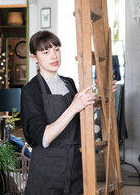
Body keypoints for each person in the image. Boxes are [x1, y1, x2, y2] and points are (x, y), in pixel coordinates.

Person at [21, 30, 97, 195]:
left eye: (56, 49)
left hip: (75, 166)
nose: (53, 56)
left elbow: (78, 120)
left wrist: (101, 97)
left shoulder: (68, 83)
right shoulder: (31, 90)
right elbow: (43, 138)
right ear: (34, 57)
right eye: (46, 52)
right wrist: (74, 106)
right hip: (48, 170)